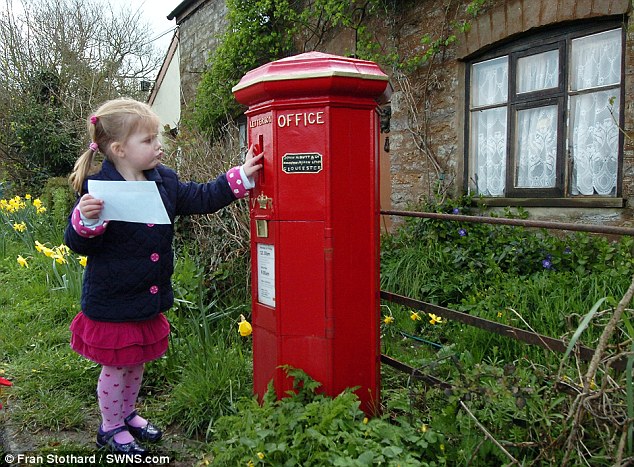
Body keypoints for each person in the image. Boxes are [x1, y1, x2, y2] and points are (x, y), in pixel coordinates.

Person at [64, 98, 263, 455]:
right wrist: (87, 221)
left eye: (157, 138)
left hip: (146, 295)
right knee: (116, 367)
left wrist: (242, 175)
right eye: (148, 139)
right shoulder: (97, 189)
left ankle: (127, 413)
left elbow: (202, 197)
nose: (159, 145)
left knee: (136, 363)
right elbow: (78, 243)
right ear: (119, 149)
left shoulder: (165, 181)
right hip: (112, 299)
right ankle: (109, 428)